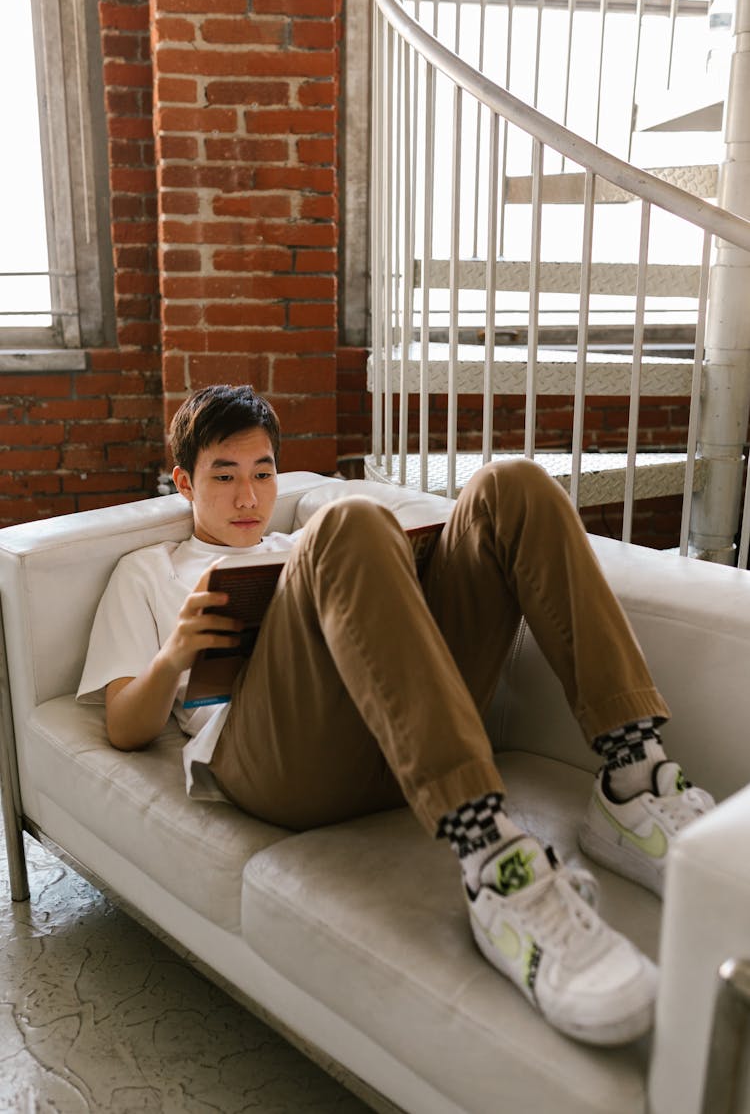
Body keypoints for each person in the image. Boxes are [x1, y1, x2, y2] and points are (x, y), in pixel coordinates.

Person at [78, 383, 713, 1047]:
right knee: (349, 522)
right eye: (224, 476)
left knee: (512, 484)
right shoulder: (148, 572)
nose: (248, 497)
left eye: (263, 473)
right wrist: (175, 652)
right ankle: (497, 863)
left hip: (397, 738)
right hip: (274, 763)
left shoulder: (302, 543)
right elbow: (124, 723)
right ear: (184, 480)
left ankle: (634, 777)